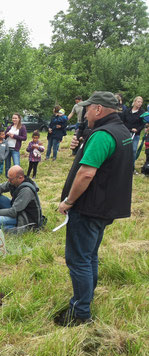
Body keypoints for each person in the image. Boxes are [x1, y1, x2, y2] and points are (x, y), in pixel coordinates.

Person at [56, 91, 133, 327]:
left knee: (78, 259)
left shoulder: (103, 135)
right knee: (90, 257)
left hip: (89, 208)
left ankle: (80, 313)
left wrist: (69, 201)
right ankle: (84, 300)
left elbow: (87, 172)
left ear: (98, 110)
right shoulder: (121, 132)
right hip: (105, 207)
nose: (85, 112)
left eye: (88, 109)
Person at [0, 165, 43, 232]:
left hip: (25, 217)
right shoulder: (14, 182)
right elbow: (0, 187)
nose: (8, 181)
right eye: (8, 178)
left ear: (20, 178)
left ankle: (18, 229)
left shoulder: (26, 190)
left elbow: (13, 212)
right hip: (18, 209)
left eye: (11, 179)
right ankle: (5, 221)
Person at [121, 96, 144, 170]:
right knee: (124, 149)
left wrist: (137, 129)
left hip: (136, 134)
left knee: (133, 150)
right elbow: (122, 121)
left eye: (141, 102)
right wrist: (129, 129)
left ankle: (132, 167)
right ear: (134, 102)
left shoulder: (142, 113)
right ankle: (123, 165)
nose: (140, 103)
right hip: (126, 133)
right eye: (138, 101)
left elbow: (142, 124)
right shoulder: (127, 111)